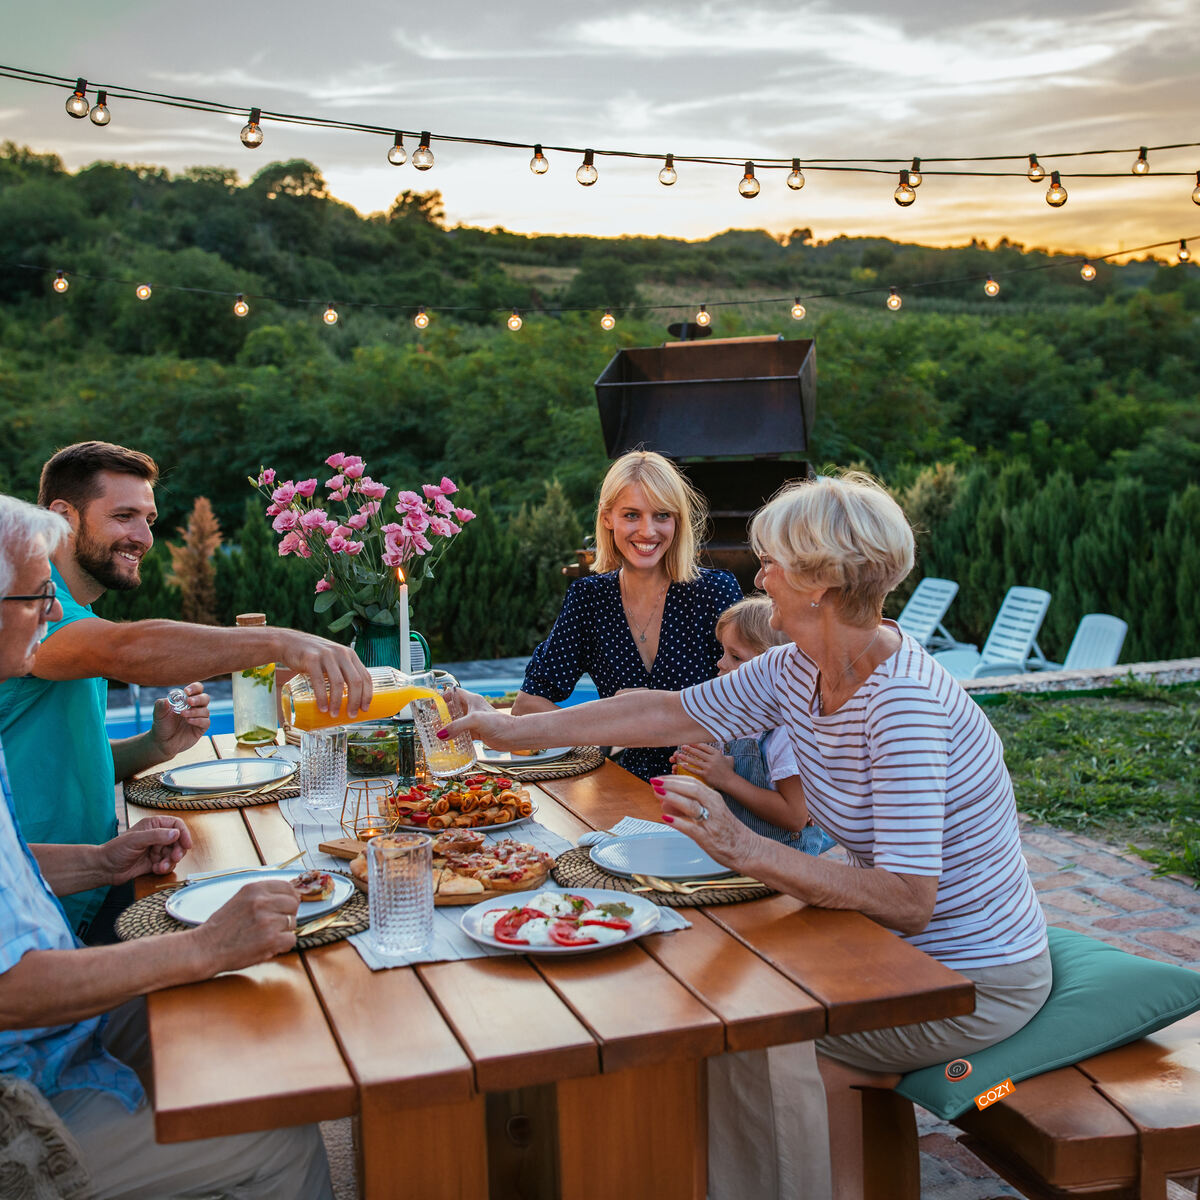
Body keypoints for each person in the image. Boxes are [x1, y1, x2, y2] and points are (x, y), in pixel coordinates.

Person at [445, 470, 1051, 1200]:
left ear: (821, 583)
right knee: (711, 994)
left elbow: (907, 898)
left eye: (773, 561)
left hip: (964, 977)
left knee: (753, 1031)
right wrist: (511, 731)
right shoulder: (800, 666)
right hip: (881, 946)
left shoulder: (905, 709)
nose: (757, 572)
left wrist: (743, 847)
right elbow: (666, 713)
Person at [0, 493, 334, 1198]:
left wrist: (97, 859)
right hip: (24, 1085)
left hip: (57, 1033)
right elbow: (9, 991)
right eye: (37, 596)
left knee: (242, 1026)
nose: (53, 612)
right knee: (276, 1132)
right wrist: (200, 947)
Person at [0, 442, 373, 940]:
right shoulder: (21, 613)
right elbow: (126, 650)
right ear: (63, 517)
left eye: (149, 519)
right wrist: (281, 642)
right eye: (124, 516)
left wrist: (153, 747)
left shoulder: (66, 615)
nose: (143, 537)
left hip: (87, 881)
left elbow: (56, 760)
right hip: (43, 919)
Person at [513, 450, 741, 780]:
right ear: (608, 518)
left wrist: (648, 710)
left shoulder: (713, 593)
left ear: (677, 520)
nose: (648, 531)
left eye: (662, 515)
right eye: (632, 515)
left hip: (708, 793)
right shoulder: (589, 599)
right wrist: (612, 729)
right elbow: (527, 705)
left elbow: (752, 707)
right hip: (621, 791)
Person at [671, 596, 836, 855]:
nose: (721, 663)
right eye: (723, 652)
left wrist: (726, 779)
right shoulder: (736, 717)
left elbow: (794, 816)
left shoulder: (786, 731)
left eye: (735, 657)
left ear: (773, 666)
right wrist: (706, 770)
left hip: (783, 865)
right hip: (738, 853)